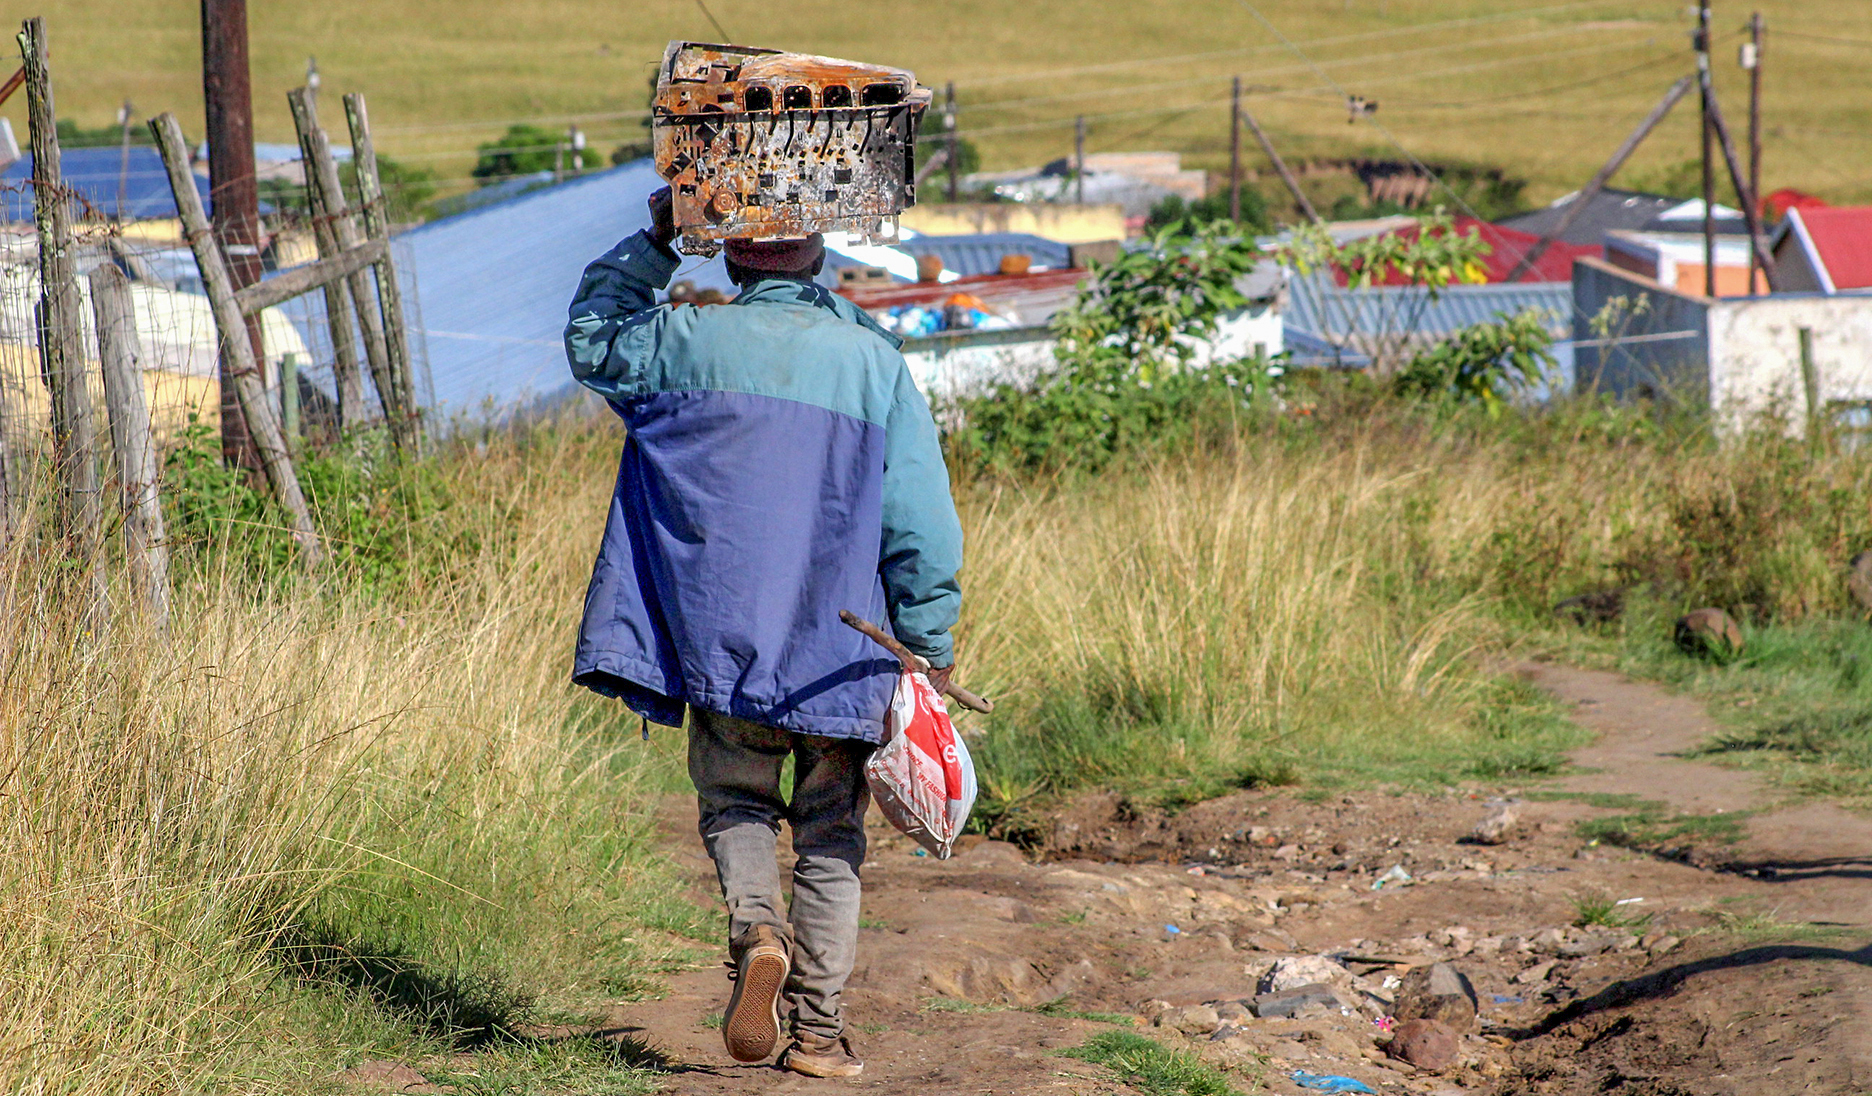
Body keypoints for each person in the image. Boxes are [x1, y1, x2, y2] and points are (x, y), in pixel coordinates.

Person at [563, 187, 963, 1078]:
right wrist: (928, 644)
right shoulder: (873, 363)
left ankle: (756, 931)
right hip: (842, 653)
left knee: (737, 801)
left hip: (720, 642)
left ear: (730, 253)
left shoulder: (681, 341)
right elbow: (922, 527)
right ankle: (819, 1036)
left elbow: (591, 336)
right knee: (829, 833)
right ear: (817, 249)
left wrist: (660, 236)